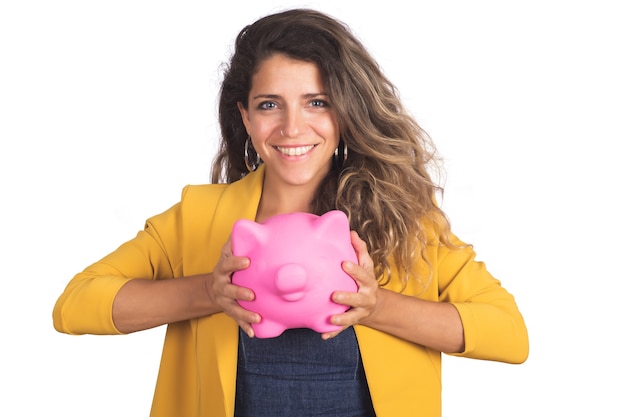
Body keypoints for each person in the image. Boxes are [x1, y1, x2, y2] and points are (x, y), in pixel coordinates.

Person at [53, 8, 529, 417]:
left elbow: (509, 335)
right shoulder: (199, 217)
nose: (292, 127)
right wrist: (209, 292)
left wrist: (376, 306)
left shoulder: (401, 223)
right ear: (245, 117)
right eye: (269, 105)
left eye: (316, 102)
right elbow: (74, 305)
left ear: (346, 112)